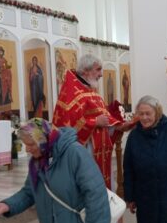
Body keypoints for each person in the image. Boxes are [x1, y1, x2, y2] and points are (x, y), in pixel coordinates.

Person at [53, 54, 125, 189]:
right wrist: (94, 122)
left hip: (101, 150)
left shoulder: (91, 91)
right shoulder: (72, 93)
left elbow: (105, 119)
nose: (101, 74)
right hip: (85, 151)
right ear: (86, 70)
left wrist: (118, 125)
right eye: (98, 70)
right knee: (89, 185)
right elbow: (67, 127)